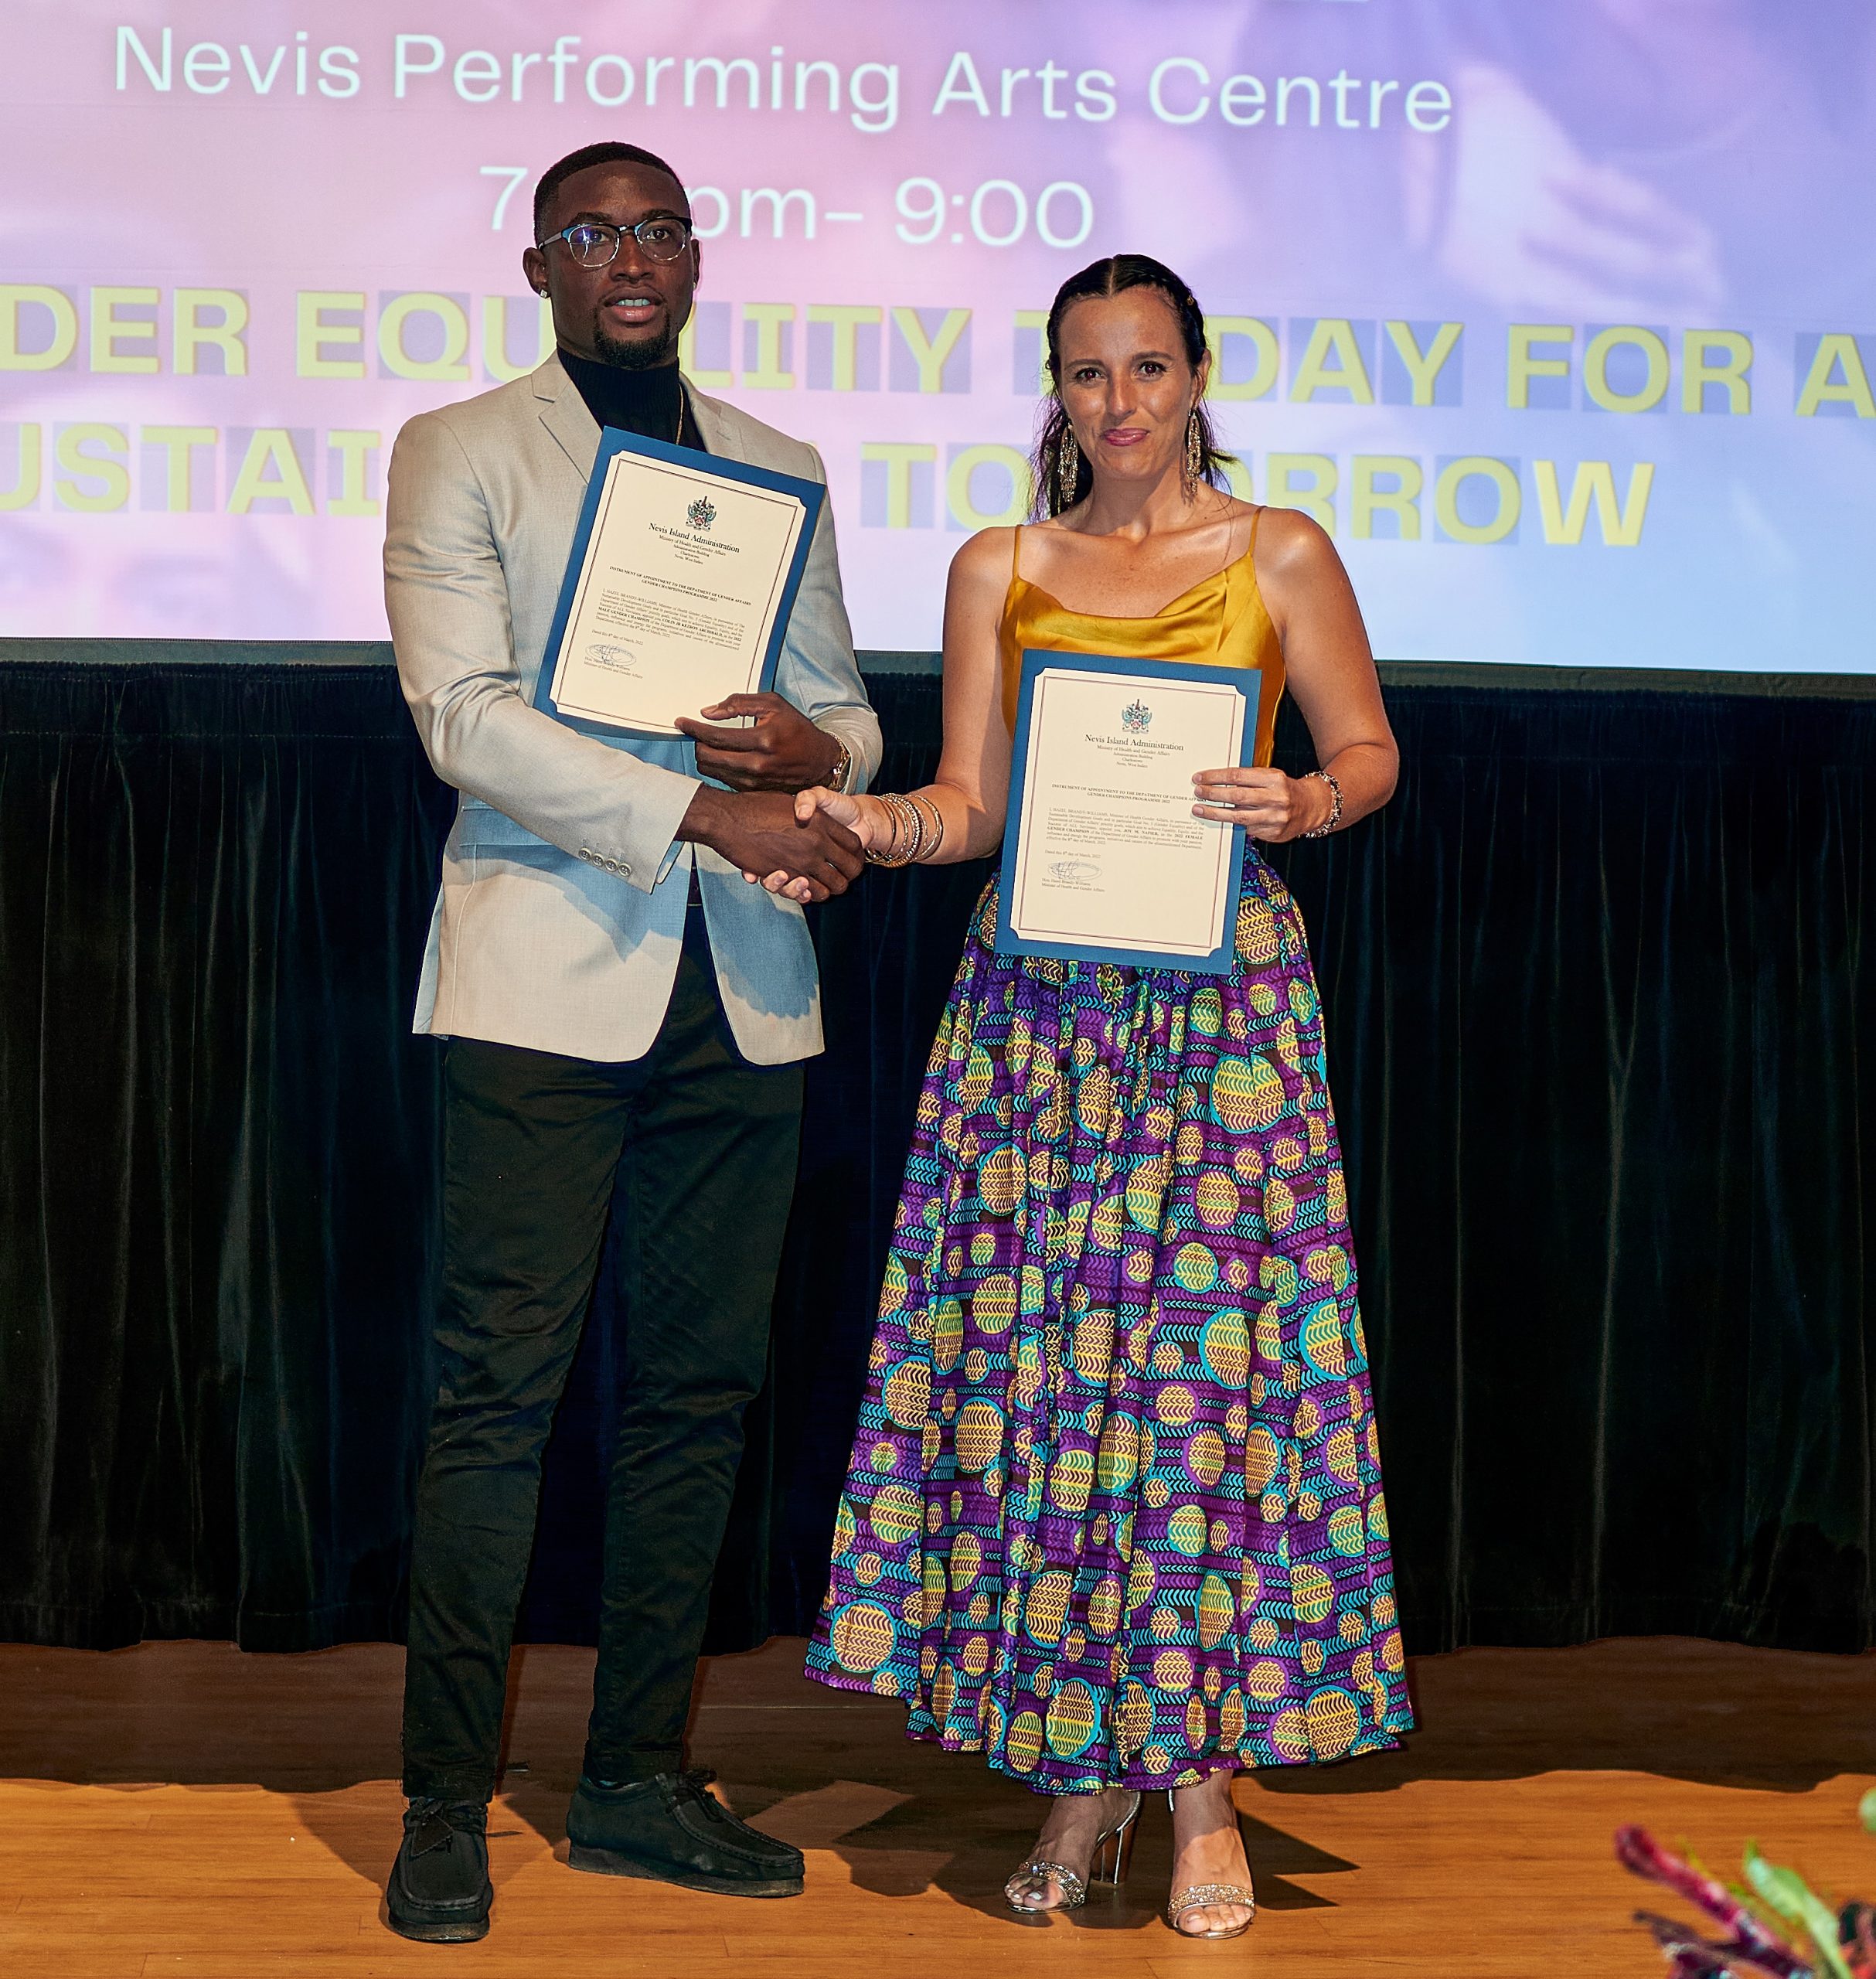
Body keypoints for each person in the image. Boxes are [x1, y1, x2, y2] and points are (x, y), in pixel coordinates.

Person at [792, 254, 1412, 1940]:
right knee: (1055, 1384)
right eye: (1085, 373)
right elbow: (969, 799)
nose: (1118, 403)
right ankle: (1085, 1761)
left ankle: (1191, 1785)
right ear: (1052, 390)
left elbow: (1367, 754)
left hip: (1221, 1021)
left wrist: (1303, 798)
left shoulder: (1279, 549)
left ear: (1199, 371)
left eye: (1146, 367)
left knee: (1200, 1395)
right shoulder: (999, 562)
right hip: (1039, 1027)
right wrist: (882, 828)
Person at [380, 141, 881, 1943]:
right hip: (539, 975)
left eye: (658, 227)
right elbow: (465, 719)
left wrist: (808, 760)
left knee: (694, 1402)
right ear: (538, 265)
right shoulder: (462, 448)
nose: (630, 256)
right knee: (494, 1398)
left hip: (736, 991)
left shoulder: (777, 466)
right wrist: (695, 817)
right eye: (594, 233)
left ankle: (637, 1779)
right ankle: (443, 1800)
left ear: (696, 252)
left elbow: (849, 715)